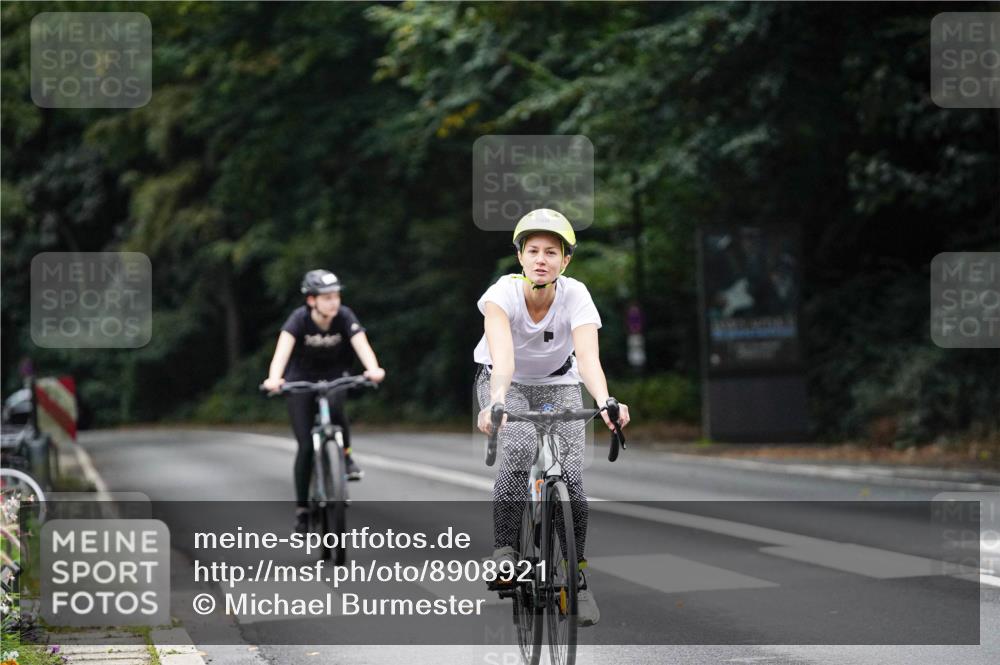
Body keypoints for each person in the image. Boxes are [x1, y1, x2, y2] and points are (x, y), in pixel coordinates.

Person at [474, 209, 631, 627]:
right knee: (522, 447)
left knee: (573, 478)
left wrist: (605, 400)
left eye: (551, 252)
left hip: (560, 385)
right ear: (520, 257)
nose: (541, 259)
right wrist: (498, 401)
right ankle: (505, 552)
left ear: (566, 261)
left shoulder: (576, 295)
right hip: (505, 384)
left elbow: (589, 359)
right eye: (533, 251)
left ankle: (577, 581)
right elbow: (503, 360)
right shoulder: (500, 296)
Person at [263, 269, 386, 533]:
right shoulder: (299, 319)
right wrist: (275, 378)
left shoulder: (344, 316)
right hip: (301, 380)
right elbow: (282, 350)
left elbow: (361, 343)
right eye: (327, 297)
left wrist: (373, 368)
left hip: (334, 377)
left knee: (335, 403)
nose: (334, 302)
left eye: (336, 296)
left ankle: (347, 456)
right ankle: (302, 509)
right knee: (306, 446)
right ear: (311, 300)